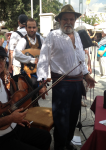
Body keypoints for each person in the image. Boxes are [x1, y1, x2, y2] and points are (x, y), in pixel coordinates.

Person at [0, 45, 51, 150]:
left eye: (1, 58)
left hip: (11, 128)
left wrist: (13, 120)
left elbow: (6, 109)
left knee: (45, 137)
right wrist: (10, 119)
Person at [37, 4, 96, 150]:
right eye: (65, 19)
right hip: (61, 84)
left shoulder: (77, 35)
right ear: (59, 20)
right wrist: (42, 82)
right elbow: (43, 59)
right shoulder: (53, 35)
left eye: (71, 19)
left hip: (77, 83)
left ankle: (67, 142)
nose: (68, 22)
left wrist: (87, 75)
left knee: (73, 115)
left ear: (75, 20)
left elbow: (80, 58)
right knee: (61, 118)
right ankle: (59, 145)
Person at [8, 14, 28, 79]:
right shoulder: (35, 33)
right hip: (32, 65)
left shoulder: (15, 34)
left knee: (18, 86)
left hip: (18, 65)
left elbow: (11, 51)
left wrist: (10, 64)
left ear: (19, 22)